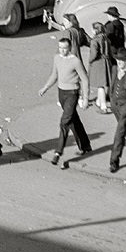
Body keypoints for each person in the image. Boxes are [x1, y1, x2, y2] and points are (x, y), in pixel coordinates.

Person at [39, 36, 92, 166]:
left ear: (69, 48)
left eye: (65, 48)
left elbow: (84, 79)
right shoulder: (57, 58)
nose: (62, 50)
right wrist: (45, 88)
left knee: (64, 122)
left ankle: (58, 152)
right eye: (60, 48)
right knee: (73, 120)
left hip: (72, 93)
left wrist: (85, 98)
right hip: (61, 93)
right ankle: (85, 146)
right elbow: (54, 75)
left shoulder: (75, 61)